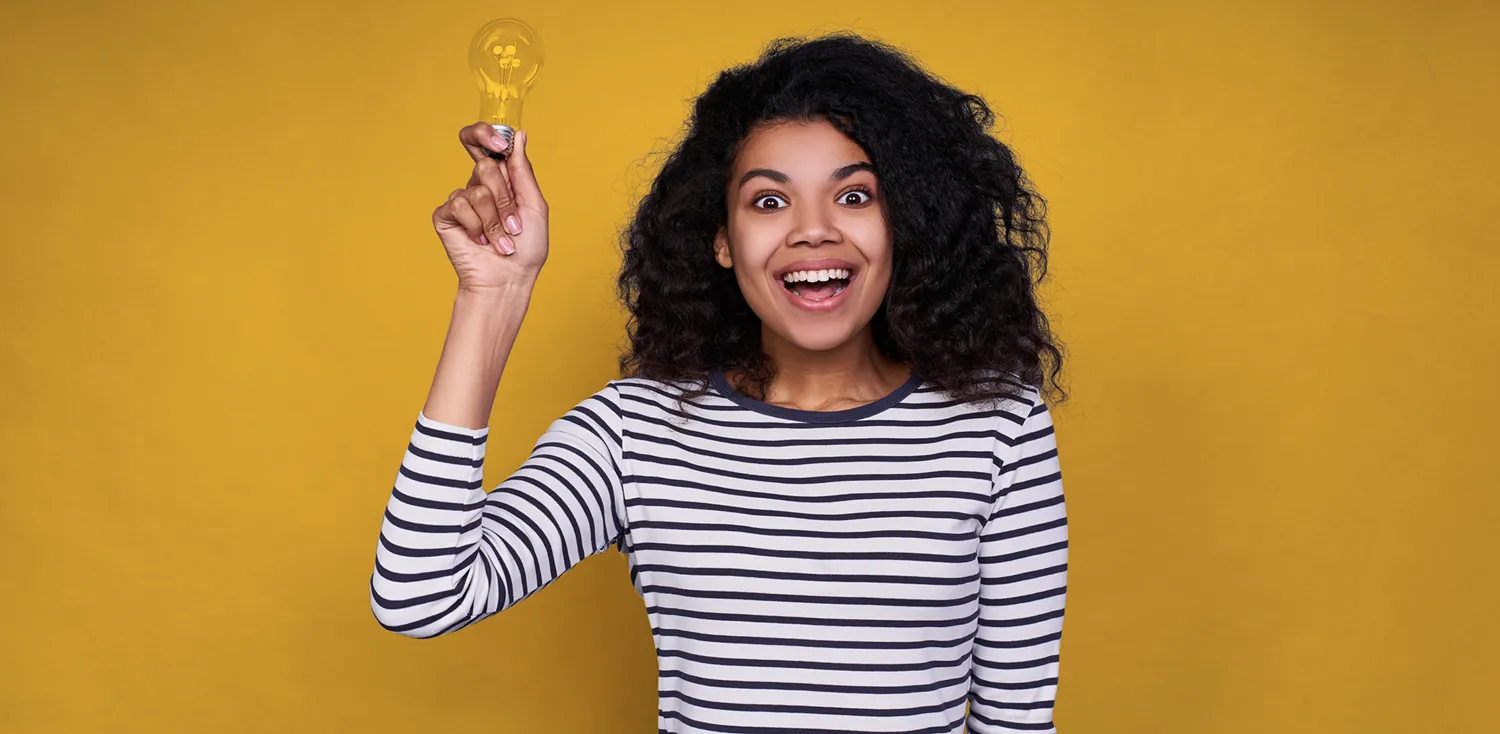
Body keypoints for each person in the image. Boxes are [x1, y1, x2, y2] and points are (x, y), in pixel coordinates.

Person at [370, 31, 1070, 734]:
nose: (813, 232)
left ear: (906, 221)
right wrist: (493, 294)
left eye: (854, 196)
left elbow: (1016, 722)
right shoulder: (634, 431)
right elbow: (420, 596)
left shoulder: (998, 426)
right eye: (769, 203)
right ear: (722, 240)